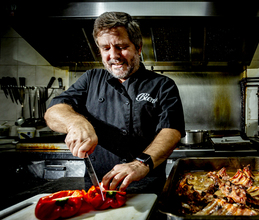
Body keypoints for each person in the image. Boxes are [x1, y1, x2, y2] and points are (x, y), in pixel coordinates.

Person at [44, 12, 185, 193]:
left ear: (138, 48)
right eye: (105, 48)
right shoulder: (91, 79)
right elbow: (53, 110)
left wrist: (141, 163)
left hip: (148, 189)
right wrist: (75, 123)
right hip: (97, 190)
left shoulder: (162, 85)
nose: (113, 55)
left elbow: (171, 131)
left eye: (121, 46)